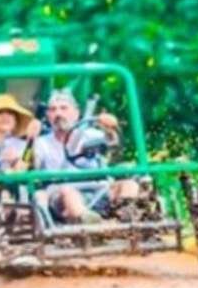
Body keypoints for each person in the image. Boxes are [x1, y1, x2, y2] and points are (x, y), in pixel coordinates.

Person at [30, 89, 138, 224]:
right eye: (53, 110)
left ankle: (128, 222)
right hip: (63, 192)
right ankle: (91, 223)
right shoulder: (41, 143)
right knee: (68, 193)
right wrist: (30, 139)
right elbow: (28, 166)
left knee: (130, 185)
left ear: (76, 113)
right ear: (48, 116)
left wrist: (111, 128)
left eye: (64, 108)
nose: (58, 113)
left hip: (100, 188)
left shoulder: (92, 135)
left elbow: (115, 146)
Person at [0, 93, 36, 171]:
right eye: (0, 112)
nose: (5, 116)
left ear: (16, 120)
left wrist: (31, 140)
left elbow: (22, 168)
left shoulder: (21, 144)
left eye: (10, 113)